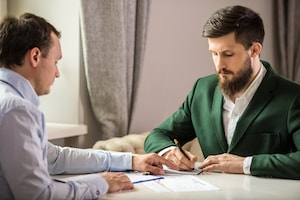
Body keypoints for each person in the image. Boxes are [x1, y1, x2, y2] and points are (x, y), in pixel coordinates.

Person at [0, 13, 178, 200]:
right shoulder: (16, 109)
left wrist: (132, 160)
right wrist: (100, 183)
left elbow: (55, 158)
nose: (58, 73)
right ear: (35, 56)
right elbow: (39, 195)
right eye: (55, 61)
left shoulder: (9, 100)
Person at [144, 5, 300, 180]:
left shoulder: (294, 97)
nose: (219, 65)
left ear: (255, 50)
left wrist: (246, 164)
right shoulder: (202, 90)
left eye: (228, 54)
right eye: (214, 53)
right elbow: (158, 135)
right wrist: (169, 151)